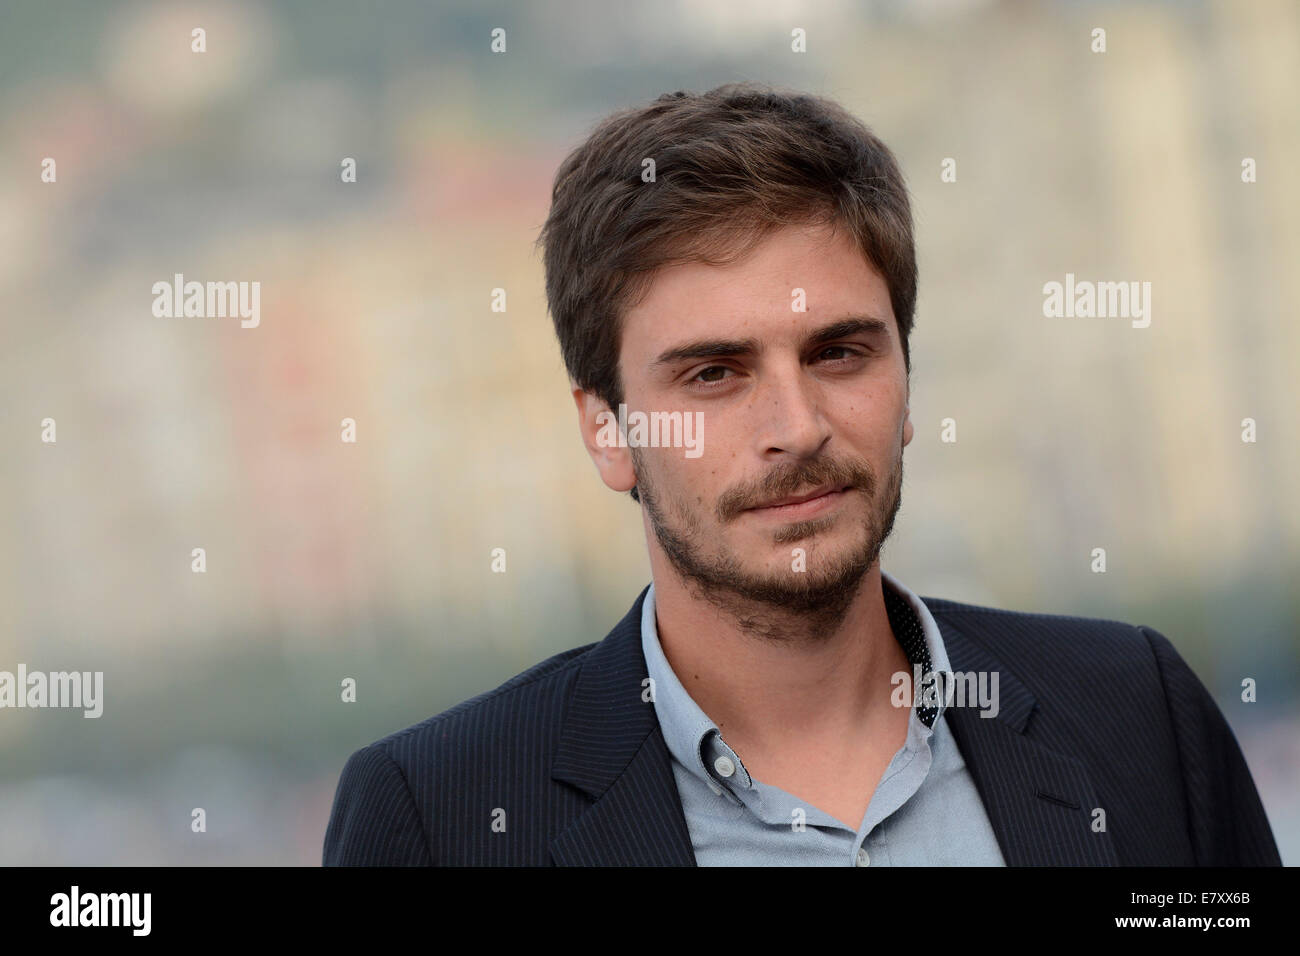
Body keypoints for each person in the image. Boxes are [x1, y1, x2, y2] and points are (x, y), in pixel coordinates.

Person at [323, 82, 1281, 866]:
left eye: (838, 353)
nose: (797, 427)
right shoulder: (441, 820)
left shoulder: (1135, 713)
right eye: (714, 373)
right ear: (609, 431)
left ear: (906, 381)